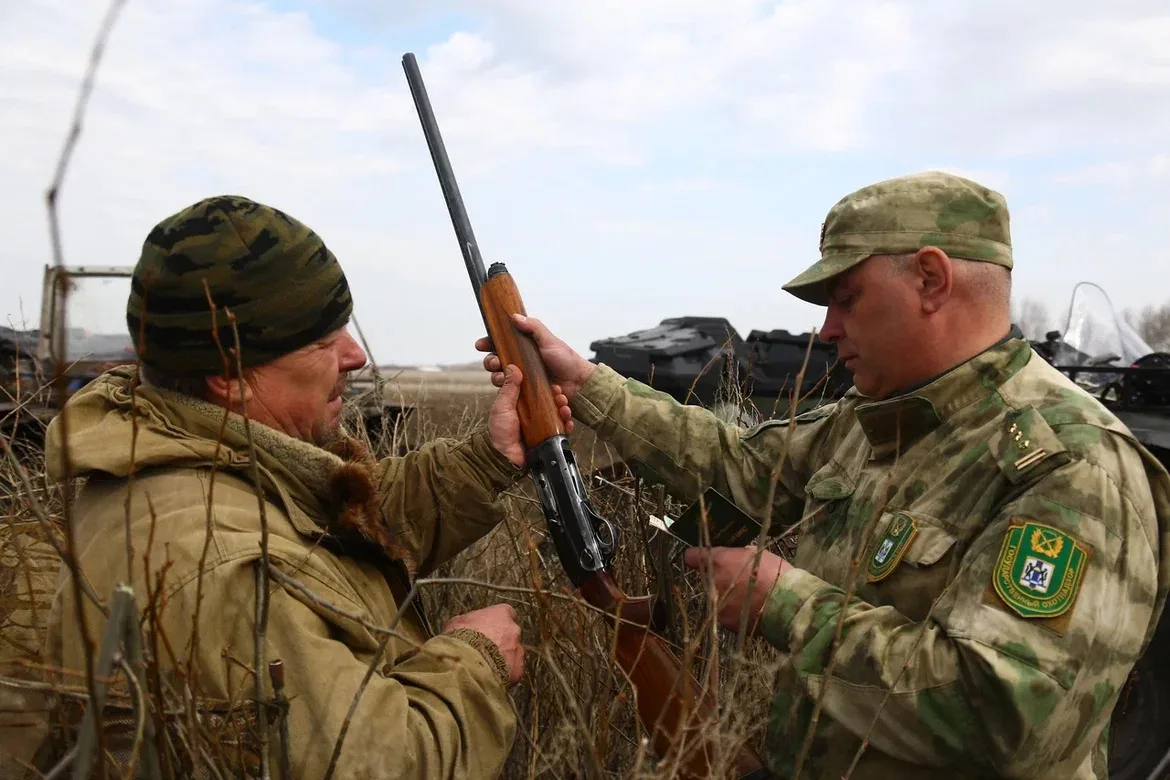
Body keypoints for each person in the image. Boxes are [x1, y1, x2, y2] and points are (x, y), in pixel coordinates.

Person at [477, 171, 1170, 779]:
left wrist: (784, 605)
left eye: (848, 297)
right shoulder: (878, 421)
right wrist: (586, 384)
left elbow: (1010, 718)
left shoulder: (1069, 463)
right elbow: (739, 465)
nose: (828, 329)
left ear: (931, 280)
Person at [40, 195, 551, 779]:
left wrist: (488, 460)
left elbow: (329, 530)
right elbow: (378, 768)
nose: (355, 356)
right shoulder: (224, 567)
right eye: (322, 341)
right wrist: (476, 662)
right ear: (230, 376)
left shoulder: (196, 458)